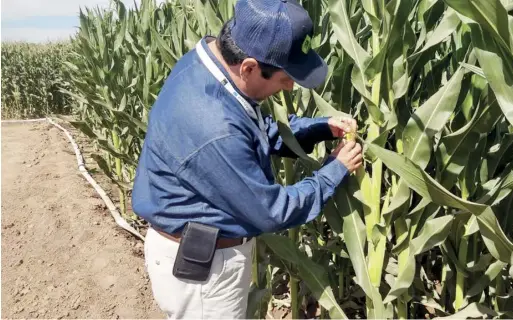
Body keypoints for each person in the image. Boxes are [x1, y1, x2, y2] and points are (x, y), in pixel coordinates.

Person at [131, 0, 363, 318]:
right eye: (284, 79)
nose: (290, 87)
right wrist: (334, 170)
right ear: (250, 67)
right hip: (205, 275)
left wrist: (320, 127)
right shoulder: (213, 125)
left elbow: (253, 129)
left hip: (204, 253)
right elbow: (271, 211)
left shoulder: (207, 68)